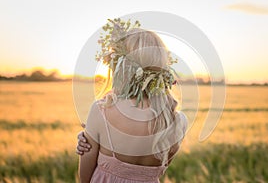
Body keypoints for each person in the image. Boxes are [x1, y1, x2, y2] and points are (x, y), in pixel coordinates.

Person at [76, 18, 187, 183]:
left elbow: (84, 178)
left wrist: (92, 136)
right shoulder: (177, 120)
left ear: (120, 66)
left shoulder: (101, 111)